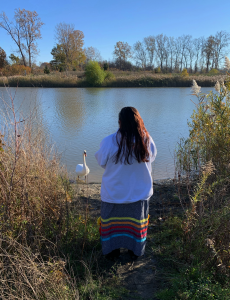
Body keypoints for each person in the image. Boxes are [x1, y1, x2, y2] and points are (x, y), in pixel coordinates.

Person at [95, 107, 157, 260]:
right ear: (139, 121)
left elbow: (101, 162)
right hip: (139, 195)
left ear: (120, 122)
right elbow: (152, 158)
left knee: (112, 227)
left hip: (113, 194)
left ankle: (112, 252)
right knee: (136, 227)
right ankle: (135, 252)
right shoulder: (147, 140)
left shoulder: (109, 141)